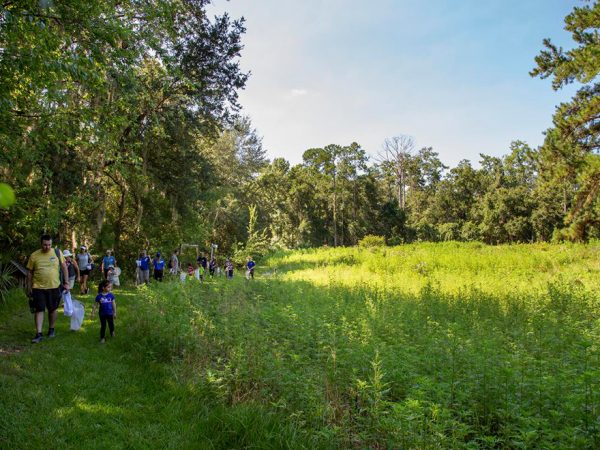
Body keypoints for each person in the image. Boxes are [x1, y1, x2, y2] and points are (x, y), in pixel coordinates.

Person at [26, 234, 70, 343]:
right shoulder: (34, 255)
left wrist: (67, 282)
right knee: (39, 309)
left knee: (53, 309)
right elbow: (29, 273)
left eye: (49, 244)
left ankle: (51, 329)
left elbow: (64, 267)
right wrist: (29, 286)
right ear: (41, 244)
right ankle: (38, 333)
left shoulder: (57, 252)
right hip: (38, 287)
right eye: (45, 245)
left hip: (54, 287)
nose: (47, 247)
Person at [91, 280, 116, 344]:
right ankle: (102, 338)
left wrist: (114, 312)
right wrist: (93, 313)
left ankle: (112, 331)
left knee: (111, 324)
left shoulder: (111, 295)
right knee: (103, 326)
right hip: (102, 314)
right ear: (103, 288)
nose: (110, 288)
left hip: (110, 313)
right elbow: (95, 305)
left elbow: (114, 304)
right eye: (108, 287)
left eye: (110, 287)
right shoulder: (99, 296)